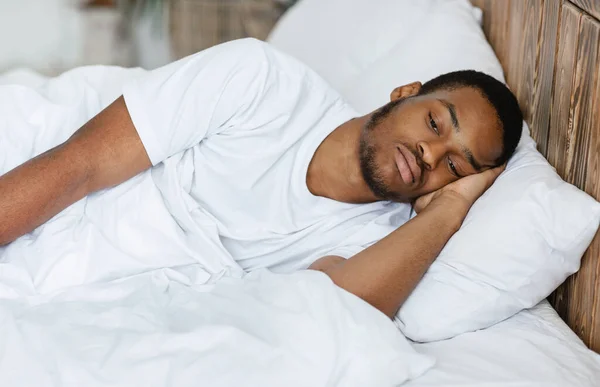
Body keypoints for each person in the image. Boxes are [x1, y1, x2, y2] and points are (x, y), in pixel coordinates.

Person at [0, 38, 522, 318]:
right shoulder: (263, 81)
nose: (430, 154)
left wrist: (450, 211)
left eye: (455, 165)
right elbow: (79, 165)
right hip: (75, 200)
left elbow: (345, 311)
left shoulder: (379, 239)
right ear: (406, 92)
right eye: (435, 123)